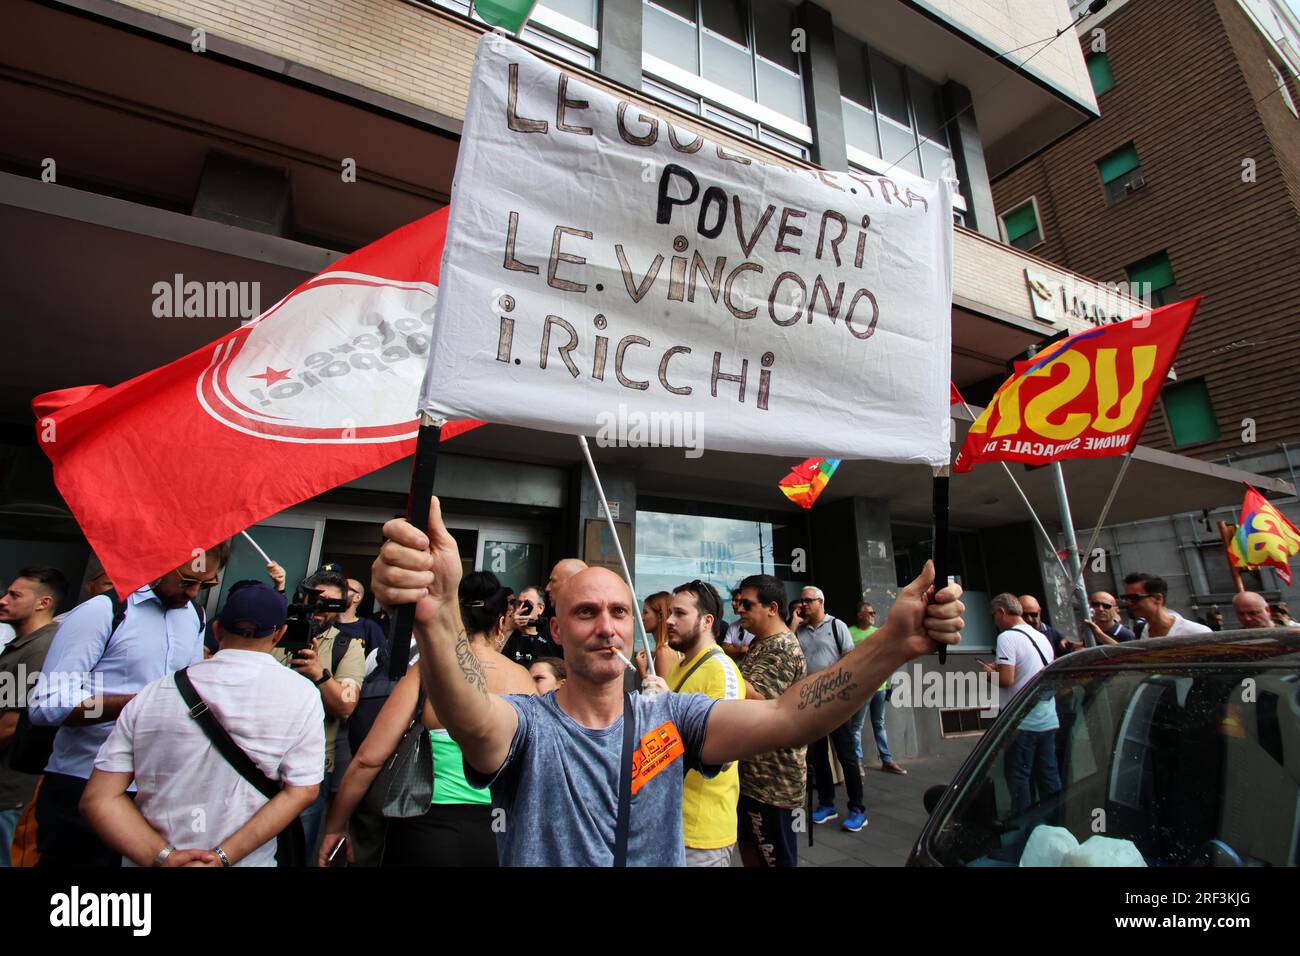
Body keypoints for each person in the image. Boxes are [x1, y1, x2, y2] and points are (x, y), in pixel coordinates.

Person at [369, 500, 963, 867]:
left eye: (619, 612)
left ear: (635, 625)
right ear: (556, 628)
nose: (606, 626)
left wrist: (892, 644)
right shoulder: (529, 723)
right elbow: (471, 714)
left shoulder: (674, 716)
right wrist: (440, 612)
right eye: (586, 613)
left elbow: (789, 717)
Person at [80, 581, 323, 867]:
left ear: (217, 630)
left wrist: (164, 857)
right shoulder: (302, 694)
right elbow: (303, 790)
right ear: (280, 634)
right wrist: (219, 858)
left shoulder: (153, 692)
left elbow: (99, 799)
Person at [29, 543, 228, 867]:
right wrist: (135, 704)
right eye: (186, 581)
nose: (193, 592)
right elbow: (45, 706)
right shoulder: (102, 611)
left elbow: (186, 691)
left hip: (156, 788)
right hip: (82, 781)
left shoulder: (194, 616)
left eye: (205, 584)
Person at [318, 572, 534, 867]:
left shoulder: (427, 671)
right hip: (501, 827)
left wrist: (335, 824)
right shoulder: (524, 680)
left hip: (426, 821)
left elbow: (369, 759)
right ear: (500, 622)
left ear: (457, 618)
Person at [272, 569, 365, 859]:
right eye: (316, 600)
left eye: (331, 604)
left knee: (297, 852)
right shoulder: (275, 635)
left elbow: (346, 707)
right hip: (259, 761)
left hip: (310, 769)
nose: (321, 610)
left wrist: (319, 674)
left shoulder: (346, 646)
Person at [728, 573, 809, 866]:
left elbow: (758, 699)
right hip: (753, 779)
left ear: (772, 608)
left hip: (770, 784)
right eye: (738, 604)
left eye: (747, 605)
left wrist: (713, 659)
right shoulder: (762, 642)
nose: (739, 610)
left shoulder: (782, 647)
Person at [663, 580, 744, 867]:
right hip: (671, 823)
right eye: (670, 613)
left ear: (706, 620)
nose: (669, 621)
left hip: (701, 833)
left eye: (680, 614)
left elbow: (723, 757)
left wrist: (666, 707)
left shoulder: (721, 672)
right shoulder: (680, 664)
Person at [0, 567, 68, 866]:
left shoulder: (40, 648)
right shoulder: (23, 646)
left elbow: (11, 724)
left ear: (43, 603)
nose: (3, 600)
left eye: (15, 595)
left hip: (11, 790)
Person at [792, 586, 868, 831]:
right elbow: (789, 654)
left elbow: (850, 660)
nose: (803, 604)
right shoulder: (799, 630)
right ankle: (827, 804)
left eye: (808, 600)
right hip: (810, 704)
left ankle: (857, 808)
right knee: (817, 756)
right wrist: (793, 624)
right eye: (801, 600)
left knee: (846, 755)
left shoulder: (838, 626)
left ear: (821, 602)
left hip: (835, 702)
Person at [979, 593, 1060, 813]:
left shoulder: (1006, 638)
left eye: (993, 615)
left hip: (1022, 721)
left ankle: (1023, 826)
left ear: (1002, 612)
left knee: (1018, 778)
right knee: (1048, 776)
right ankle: (1055, 821)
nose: (994, 621)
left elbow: (1006, 680)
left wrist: (988, 674)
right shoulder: (1041, 637)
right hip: (1048, 718)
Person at [848, 601, 905, 775]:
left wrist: (888, 683)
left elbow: (887, 658)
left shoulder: (879, 633)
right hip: (862, 687)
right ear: (860, 615)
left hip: (880, 687)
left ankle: (887, 760)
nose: (873, 615)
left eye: (874, 612)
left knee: (879, 724)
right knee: (857, 726)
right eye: (870, 612)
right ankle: (857, 763)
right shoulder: (849, 633)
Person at [1120, 573, 1211, 637]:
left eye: (1134, 598)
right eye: (1126, 598)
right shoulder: (1142, 631)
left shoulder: (1197, 632)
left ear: (1158, 598)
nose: (1128, 602)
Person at [502, 586, 560, 665]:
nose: (521, 608)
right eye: (519, 603)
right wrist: (509, 628)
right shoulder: (511, 631)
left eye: (527, 604)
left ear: (540, 608)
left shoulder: (551, 633)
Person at [1065, 591, 1136, 650]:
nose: (1100, 609)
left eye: (1106, 606)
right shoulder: (1088, 630)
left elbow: (1129, 655)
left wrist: (1099, 634)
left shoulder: (1126, 634)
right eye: (1095, 604)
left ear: (1116, 609)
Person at [51, 557, 112, 625]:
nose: (115, 591)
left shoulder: (123, 627)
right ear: (90, 587)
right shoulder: (62, 622)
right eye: (109, 584)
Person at [337, 578, 387, 658]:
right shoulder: (326, 623)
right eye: (337, 587)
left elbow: (378, 660)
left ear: (357, 597)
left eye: (344, 588)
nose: (338, 591)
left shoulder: (369, 627)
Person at [635, 591, 679, 679]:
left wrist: (643, 672)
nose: (642, 618)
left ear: (659, 616)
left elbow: (663, 692)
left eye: (645, 612)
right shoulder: (668, 648)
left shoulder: (663, 651)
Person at [1018, 594, 1068, 658]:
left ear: (1039, 611)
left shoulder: (1053, 634)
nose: (1029, 619)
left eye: (1033, 614)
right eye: (1024, 615)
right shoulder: (1012, 636)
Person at [721, 590, 755, 659]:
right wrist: (740, 650)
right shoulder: (733, 626)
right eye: (733, 600)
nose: (733, 603)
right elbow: (724, 649)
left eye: (737, 600)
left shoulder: (756, 627)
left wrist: (733, 649)